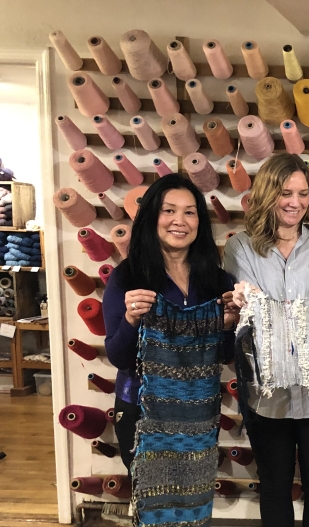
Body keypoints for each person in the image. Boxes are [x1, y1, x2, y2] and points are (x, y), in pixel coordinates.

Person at [224, 153, 309, 527]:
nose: (295, 202)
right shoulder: (240, 247)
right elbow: (254, 313)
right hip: (266, 393)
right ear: (266, 194)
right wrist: (289, 310)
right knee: (275, 487)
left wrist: (279, 310)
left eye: (302, 193)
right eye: (285, 193)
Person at [103, 174, 237, 471]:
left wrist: (227, 325)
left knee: (194, 498)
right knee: (153, 503)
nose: (180, 220)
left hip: (199, 411)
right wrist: (130, 320)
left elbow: (224, 355)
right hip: (142, 410)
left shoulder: (216, 280)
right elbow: (119, 357)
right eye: (169, 210)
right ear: (152, 217)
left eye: (190, 212)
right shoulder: (128, 277)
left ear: (199, 222)